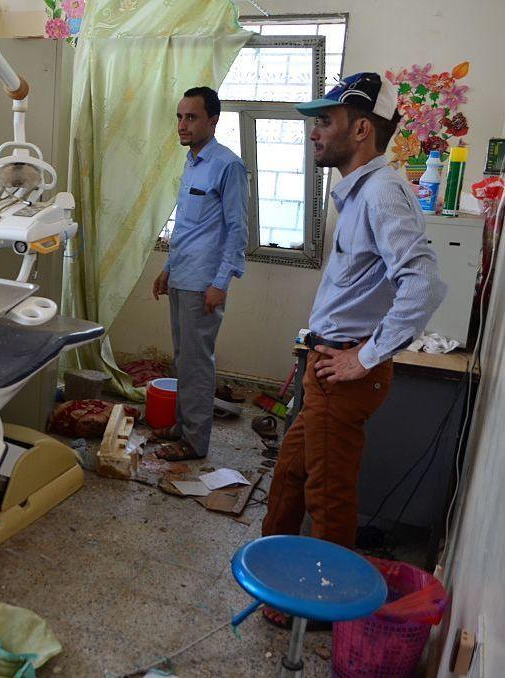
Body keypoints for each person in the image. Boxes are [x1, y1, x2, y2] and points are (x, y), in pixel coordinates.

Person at [260, 72, 446, 626]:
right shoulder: (362, 190)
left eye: (326, 121)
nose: (315, 132)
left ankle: (322, 608)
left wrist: (364, 356)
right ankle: (274, 579)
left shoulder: (383, 192)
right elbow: (363, 284)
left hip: (343, 373)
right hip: (326, 362)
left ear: (361, 128)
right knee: (292, 474)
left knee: (330, 494)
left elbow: (425, 283)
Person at [152, 86, 248, 461]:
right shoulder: (192, 162)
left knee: (197, 362)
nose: (182, 125)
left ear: (213, 120)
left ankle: (194, 443)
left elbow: (237, 230)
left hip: (204, 283)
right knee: (182, 359)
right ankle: (182, 427)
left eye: (191, 117)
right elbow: (189, 227)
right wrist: (167, 268)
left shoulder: (228, 165)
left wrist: (220, 283)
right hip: (182, 276)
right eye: (179, 117)